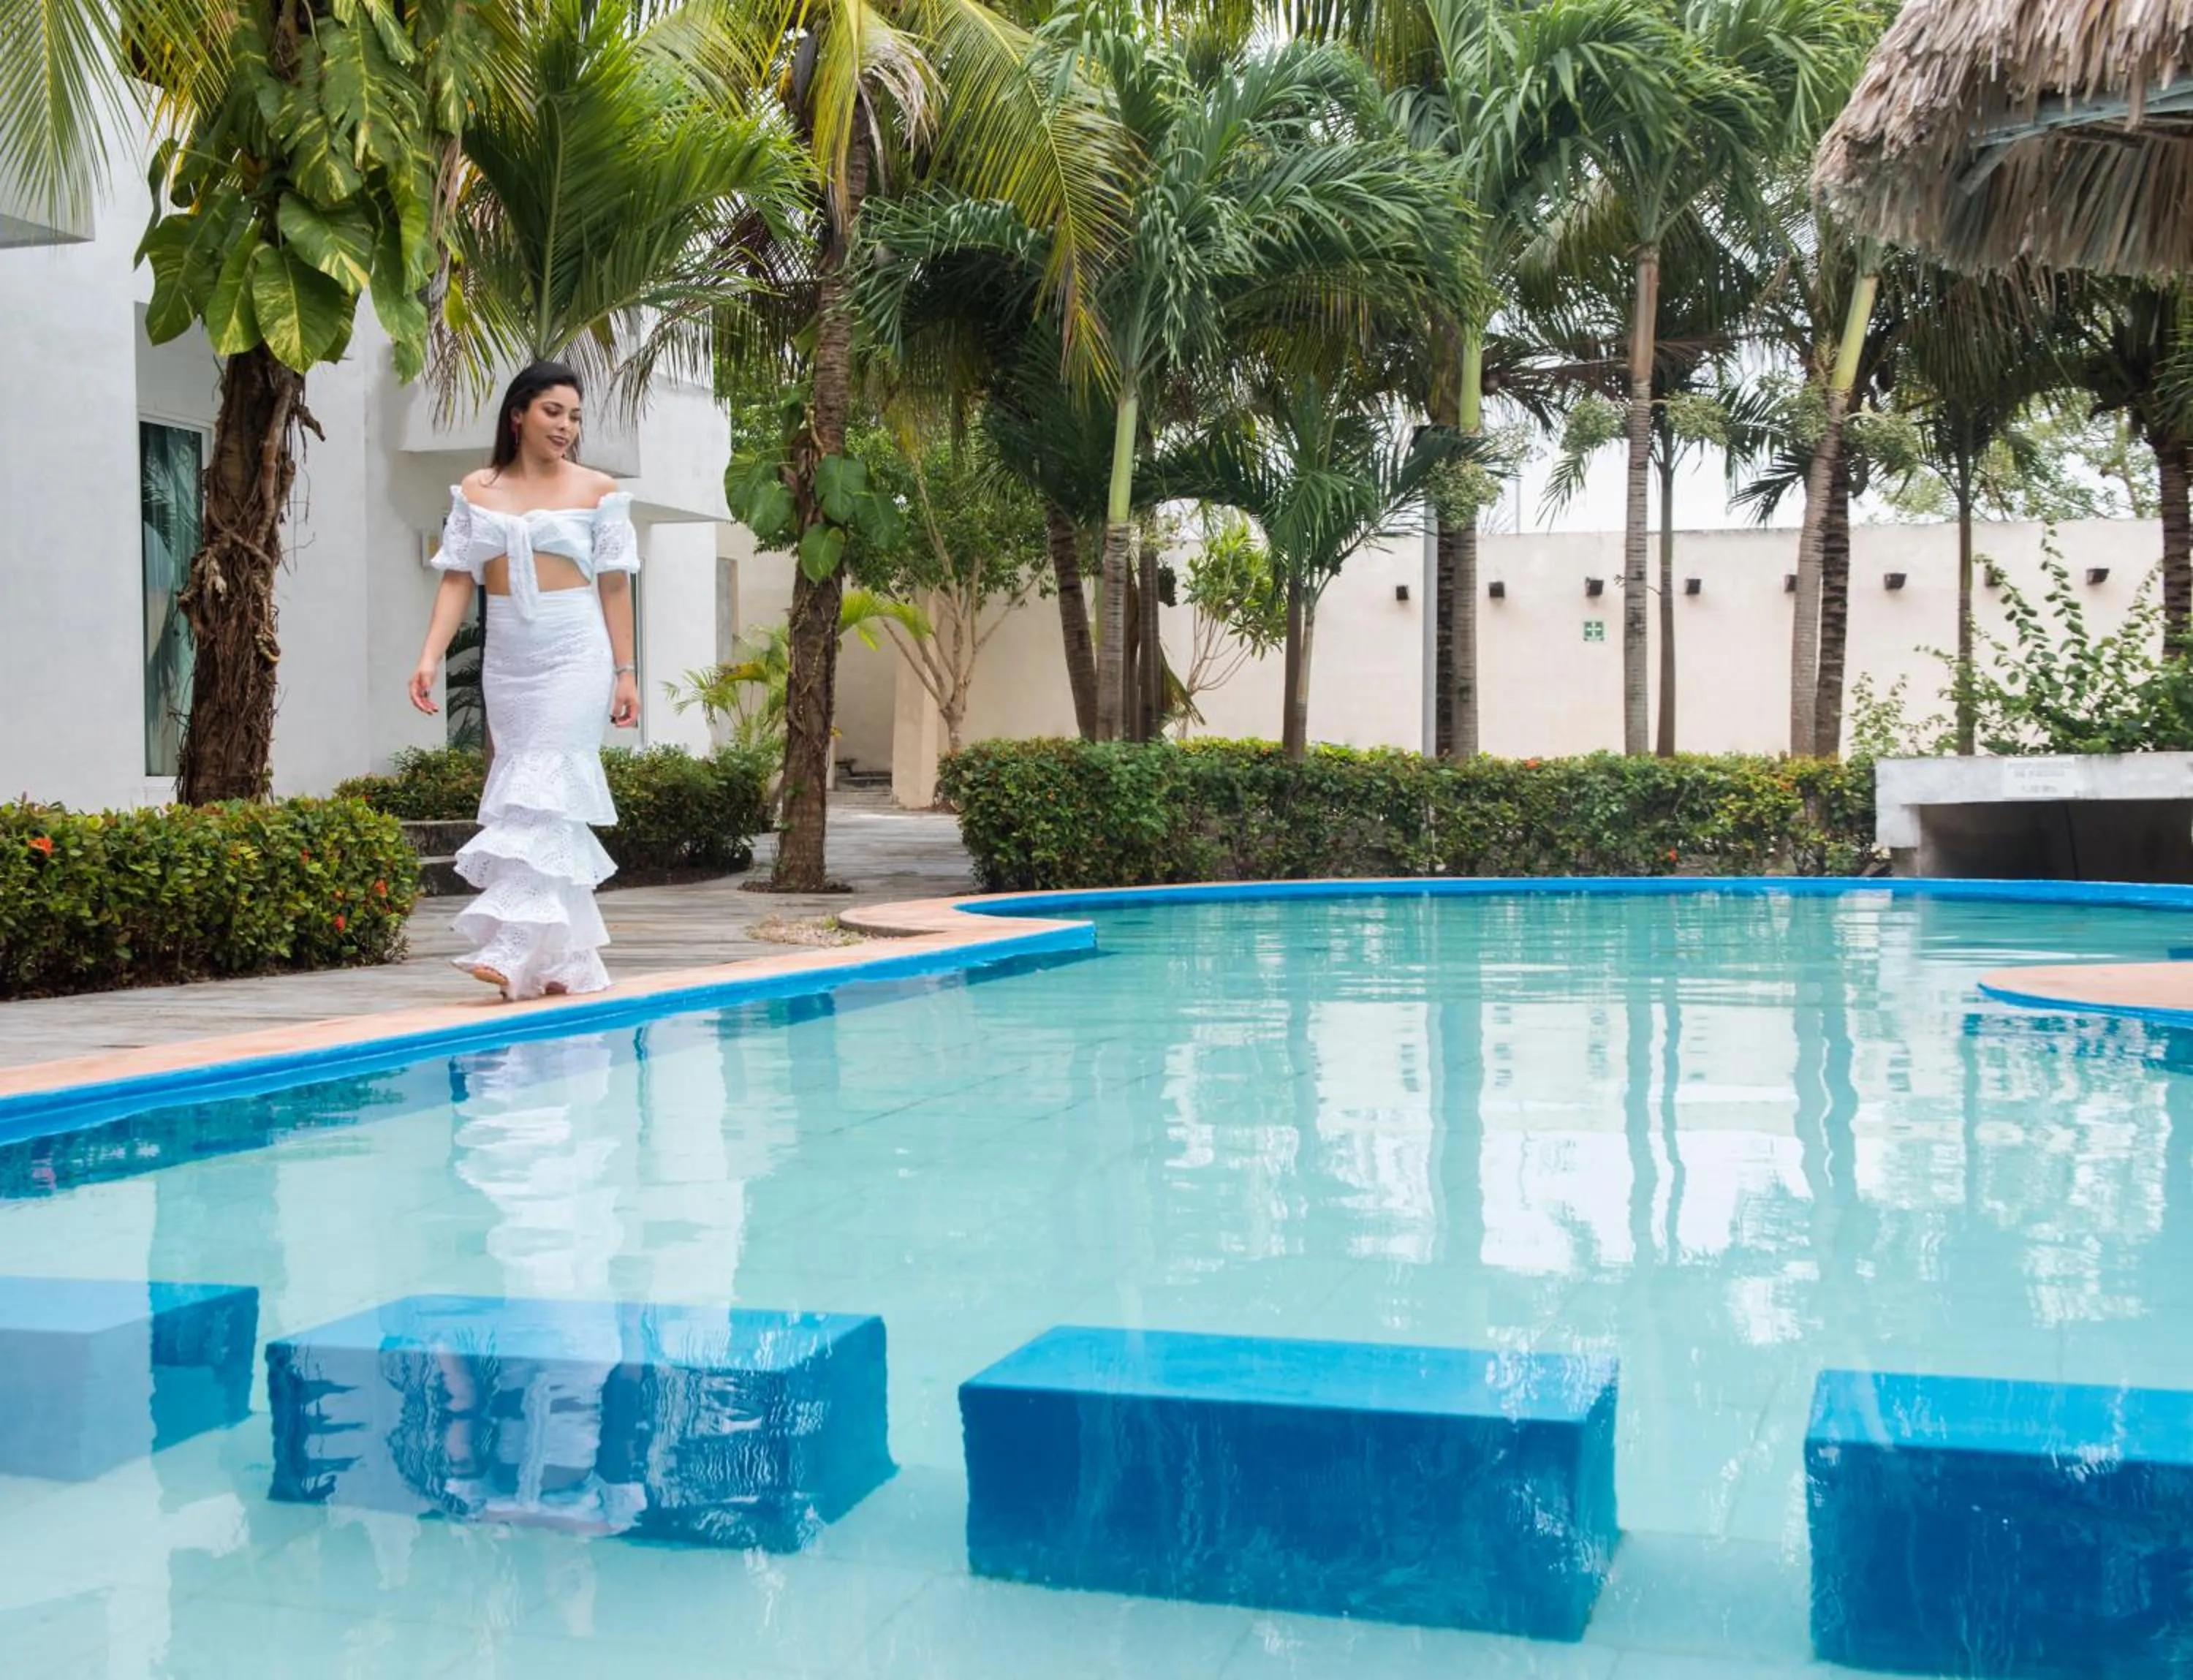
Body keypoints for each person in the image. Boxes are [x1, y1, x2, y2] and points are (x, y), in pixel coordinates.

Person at [409, 360, 640, 999]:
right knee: (532, 801)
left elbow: (615, 584)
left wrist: (626, 672)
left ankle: (513, 944)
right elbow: (458, 576)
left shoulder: (598, 489)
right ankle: (569, 963)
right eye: (553, 412)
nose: (565, 427)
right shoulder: (477, 489)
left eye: (574, 416)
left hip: (576, 650)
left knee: (547, 784)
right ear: (519, 414)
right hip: (510, 655)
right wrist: (430, 656)